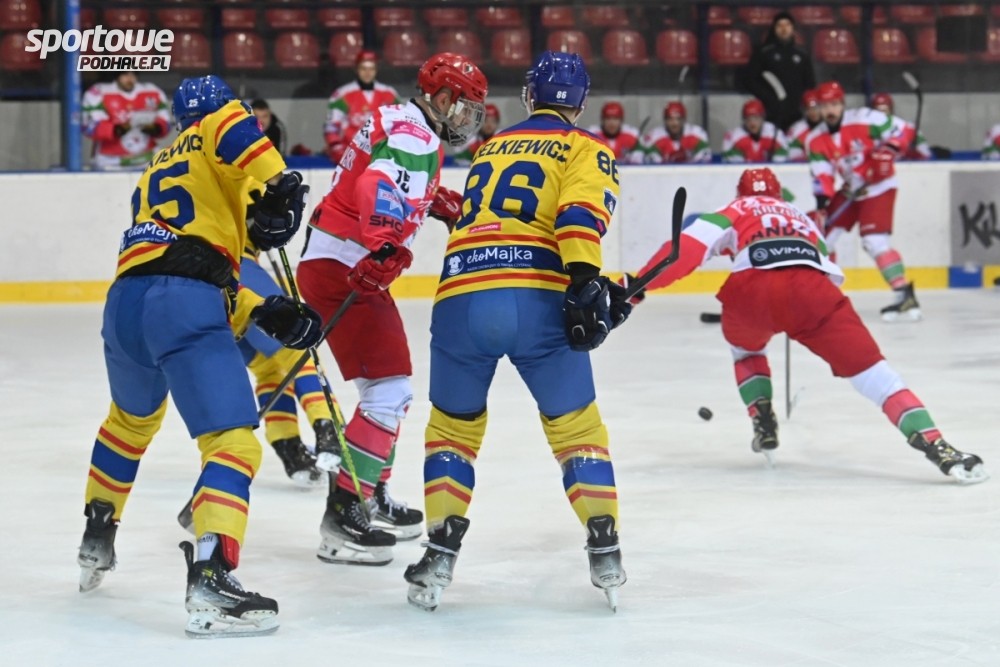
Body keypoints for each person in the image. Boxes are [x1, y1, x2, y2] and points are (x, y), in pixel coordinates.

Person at [76, 75, 323, 638]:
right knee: (233, 443)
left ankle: (97, 533)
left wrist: (265, 309)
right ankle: (212, 575)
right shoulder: (219, 128)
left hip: (125, 303)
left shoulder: (157, 166)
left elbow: (191, 261)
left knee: (128, 424)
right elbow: (197, 275)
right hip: (182, 300)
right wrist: (279, 182)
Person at [404, 50, 631, 614]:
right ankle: (604, 544)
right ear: (581, 102)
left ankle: (439, 550)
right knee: (577, 430)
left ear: (530, 96)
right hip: (535, 299)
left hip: (460, 296)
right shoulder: (586, 148)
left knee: (451, 433)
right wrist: (587, 283)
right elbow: (576, 217)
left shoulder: (490, 148)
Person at [629, 168, 986, 484]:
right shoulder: (800, 216)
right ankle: (939, 447)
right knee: (878, 377)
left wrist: (637, 287)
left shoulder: (732, 209)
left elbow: (684, 250)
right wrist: (797, 310)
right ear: (778, 194)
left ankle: (762, 418)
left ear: (741, 193)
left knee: (746, 350)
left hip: (750, 293)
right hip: (813, 295)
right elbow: (824, 266)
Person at [297, 52, 486, 565]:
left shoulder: (400, 120)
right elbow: (375, 184)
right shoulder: (416, 135)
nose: (466, 118)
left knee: (385, 388)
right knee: (390, 391)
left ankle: (371, 492)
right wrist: (383, 240)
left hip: (334, 259)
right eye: (463, 106)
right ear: (441, 97)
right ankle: (345, 514)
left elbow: (381, 174)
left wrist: (433, 199)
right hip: (347, 263)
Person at [805, 80, 919, 322]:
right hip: (851, 190)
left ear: (842, 104)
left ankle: (904, 295)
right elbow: (822, 176)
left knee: (874, 241)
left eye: (834, 104)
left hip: (879, 187)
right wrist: (822, 206)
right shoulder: (815, 139)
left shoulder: (865, 119)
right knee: (822, 237)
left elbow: (904, 129)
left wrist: (888, 150)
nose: (830, 110)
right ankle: (825, 298)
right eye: (825, 105)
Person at [740, 11, 816, 132]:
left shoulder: (802, 55)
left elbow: (810, 84)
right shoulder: (764, 53)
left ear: (793, 29)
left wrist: (803, 104)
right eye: (780, 25)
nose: (784, 29)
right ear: (774, 29)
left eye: (787, 25)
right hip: (770, 112)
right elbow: (750, 80)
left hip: (797, 113)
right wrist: (769, 98)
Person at [323, 50, 400, 164]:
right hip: (350, 156)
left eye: (371, 69)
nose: (367, 73)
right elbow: (331, 127)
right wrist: (337, 149)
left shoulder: (389, 94)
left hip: (381, 156)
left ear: (376, 70)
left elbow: (399, 125)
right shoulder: (342, 94)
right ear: (356, 69)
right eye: (363, 68)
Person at [82, 71, 170, 170]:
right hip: (110, 162)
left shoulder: (152, 91)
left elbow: (166, 123)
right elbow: (89, 127)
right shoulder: (99, 92)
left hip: (147, 159)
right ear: (117, 75)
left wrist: (155, 128)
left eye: (133, 74)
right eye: (125, 74)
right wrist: (117, 129)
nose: (130, 78)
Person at [631, 101, 710, 164]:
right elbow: (653, 168)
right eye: (670, 119)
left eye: (678, 119)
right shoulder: (655, 137)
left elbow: (703, 164)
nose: (674, 124)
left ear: (684, 120)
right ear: (665, 120)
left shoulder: (696, 134)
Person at [721, 98, 789, 163]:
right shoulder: (735, 138)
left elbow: (780, 165)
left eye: (756, 118)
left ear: (763, 118)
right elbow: (736, 167)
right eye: (748, 119)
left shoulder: (775, 134)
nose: (752, 123)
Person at [868, 92, 930, 161]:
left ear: (890, 108)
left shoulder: (907, 126)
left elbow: (926, 155)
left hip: (903, 164)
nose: (881, 114)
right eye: (878, 110)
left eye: (884, 110)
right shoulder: (866, 127)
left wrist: (912, 154)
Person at [786, 89, 821, 162]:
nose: (813, 112)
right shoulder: (797, 129)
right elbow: (791, 155)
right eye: (808, 108)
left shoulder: (830, 125)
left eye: (816, 107)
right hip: (804, 166)